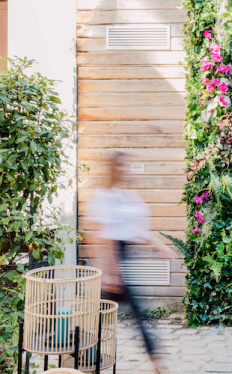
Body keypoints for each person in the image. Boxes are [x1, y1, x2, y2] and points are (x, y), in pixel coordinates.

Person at [86, 152, 175, 373]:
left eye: (127, 166)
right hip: (112, 261)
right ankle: (85, 355)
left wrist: (160, 245)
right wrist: (110, 272)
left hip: (123, 259)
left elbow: (138, 229)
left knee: (121, 314)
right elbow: (100, 237)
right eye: (122, 166)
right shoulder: (104, 196)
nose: (126, 170)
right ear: (114, 169)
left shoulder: (126, 196)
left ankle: (154, 358)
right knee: (107, 314)